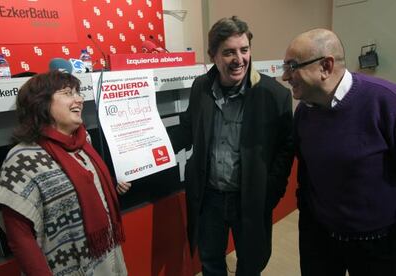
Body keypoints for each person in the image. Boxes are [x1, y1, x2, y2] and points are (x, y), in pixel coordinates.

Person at [170, 16, 294, 275]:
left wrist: (271, 192)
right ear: (213, 55)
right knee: (211, 264)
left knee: (251, 265)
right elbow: (186, 130)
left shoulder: (274, 95)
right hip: (209, 199)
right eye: (229, 52)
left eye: (244, 50)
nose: (239, 59)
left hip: (249, 199)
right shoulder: (201, 87)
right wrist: (141, 157)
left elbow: (285, 148)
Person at [0, 70, 131, 275]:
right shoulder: (22, 159)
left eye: (78, 93)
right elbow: (20, 238)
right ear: (41, 103)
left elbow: (90, 198)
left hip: (109, 261)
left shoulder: (84, 143)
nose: (79, 99)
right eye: (67, 93)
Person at [282, 28, 396, 276]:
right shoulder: (304, 113)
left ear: (326, 66)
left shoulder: (386, 101)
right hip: (320, 238)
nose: (284, 76)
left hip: (378, 245)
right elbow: (306, 171)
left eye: (292, 66)